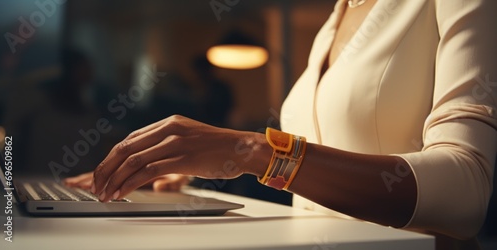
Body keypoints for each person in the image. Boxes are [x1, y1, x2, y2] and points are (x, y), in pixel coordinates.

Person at [65, 0, 497, 249]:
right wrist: (197, 168)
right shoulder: (336, 17)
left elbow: (466, 191)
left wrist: (255, 151)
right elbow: (319, 177)